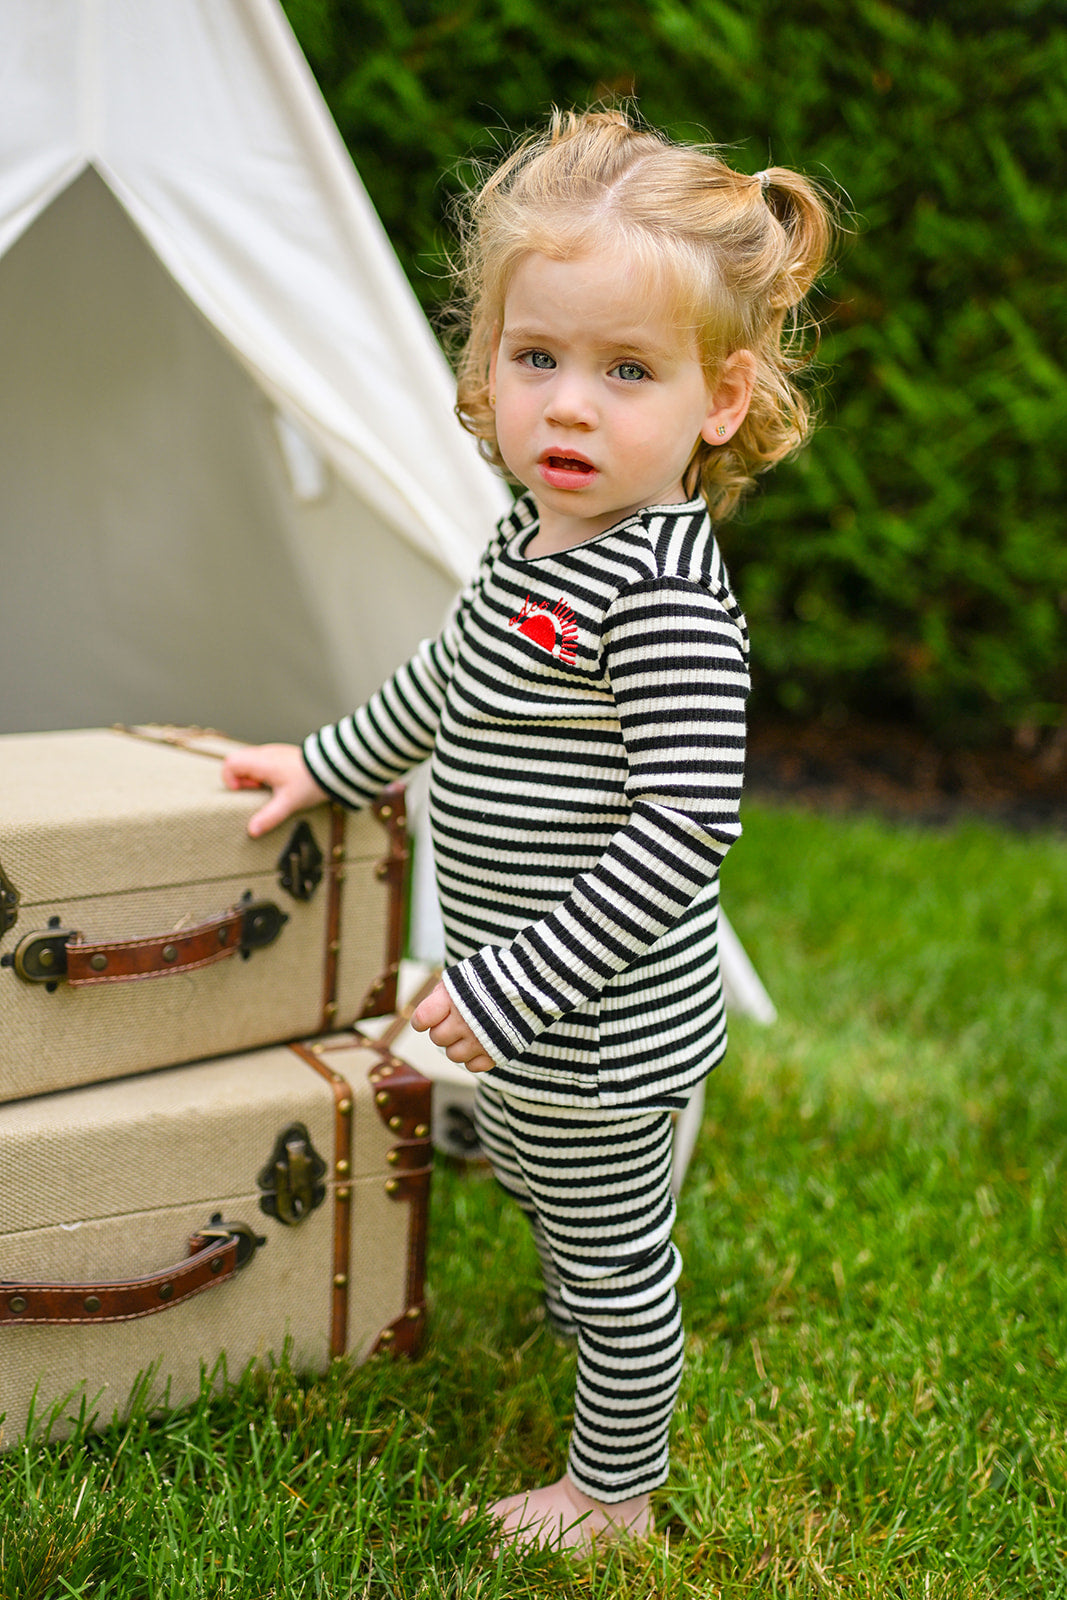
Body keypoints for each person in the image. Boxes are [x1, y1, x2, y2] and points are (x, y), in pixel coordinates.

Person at [222, 107, 834, 1552]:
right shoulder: (531, 539)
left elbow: (683, 830)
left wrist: (514, 984)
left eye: (628, 371)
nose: (568, 406)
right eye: (536, 357)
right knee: (554, 1196)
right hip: (524, 1010)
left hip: (597, 1023)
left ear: (720, 399)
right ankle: (556, 1224)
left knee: (618, 1274)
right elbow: (446, 682)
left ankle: (610, 1497)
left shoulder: (664, 600)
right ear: (483, 365)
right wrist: (325, 765)